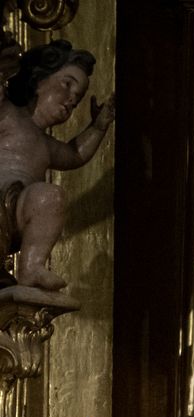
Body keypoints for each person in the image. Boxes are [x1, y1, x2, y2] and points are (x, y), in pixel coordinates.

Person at [0, 40, 113, 291]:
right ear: (39, 78)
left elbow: (75, 154)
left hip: (19, 208)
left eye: (78, 98)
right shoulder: (8, 113)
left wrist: (98, 126)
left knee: (50, 196)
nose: (71, 99)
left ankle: (31, 267)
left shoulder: (47, 145)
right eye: (67, 84)